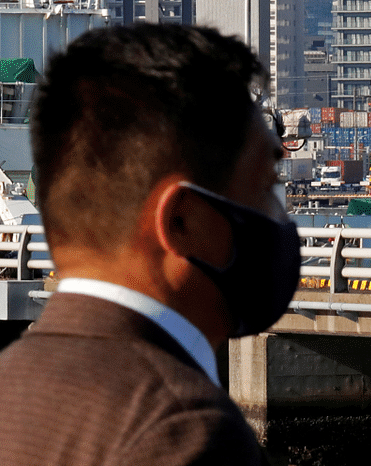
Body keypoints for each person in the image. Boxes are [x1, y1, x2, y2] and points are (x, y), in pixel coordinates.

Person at [0, 25, 300, 465]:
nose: (280, 219)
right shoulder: (186, 430)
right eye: (266, 189)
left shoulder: (11, 386)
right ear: (181, 221)